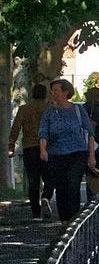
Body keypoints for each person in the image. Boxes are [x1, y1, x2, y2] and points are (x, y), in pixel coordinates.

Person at [38, 79, 96, 223]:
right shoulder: (49, 113)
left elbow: (90, 132)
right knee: (61, 187)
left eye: (56, 91)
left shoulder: (77, 109)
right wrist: (43, 149)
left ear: (66, 92)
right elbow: (43, 132)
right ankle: (64, 220)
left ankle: (73, 219)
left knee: (73, 183)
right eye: (52, 92)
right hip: (56, 154)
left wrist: (91, 155)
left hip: (77, 153)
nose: (53, 94)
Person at [8, 84, 52, 220]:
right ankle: (46, 196)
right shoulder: (50, 109)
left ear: (32, 94)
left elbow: (15, 128)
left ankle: (35, 213)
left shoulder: (24, 109)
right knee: (50, 177)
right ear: (46, 94)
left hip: (30, 147)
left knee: (33, 180)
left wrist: (11, 145)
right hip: (48, 147)